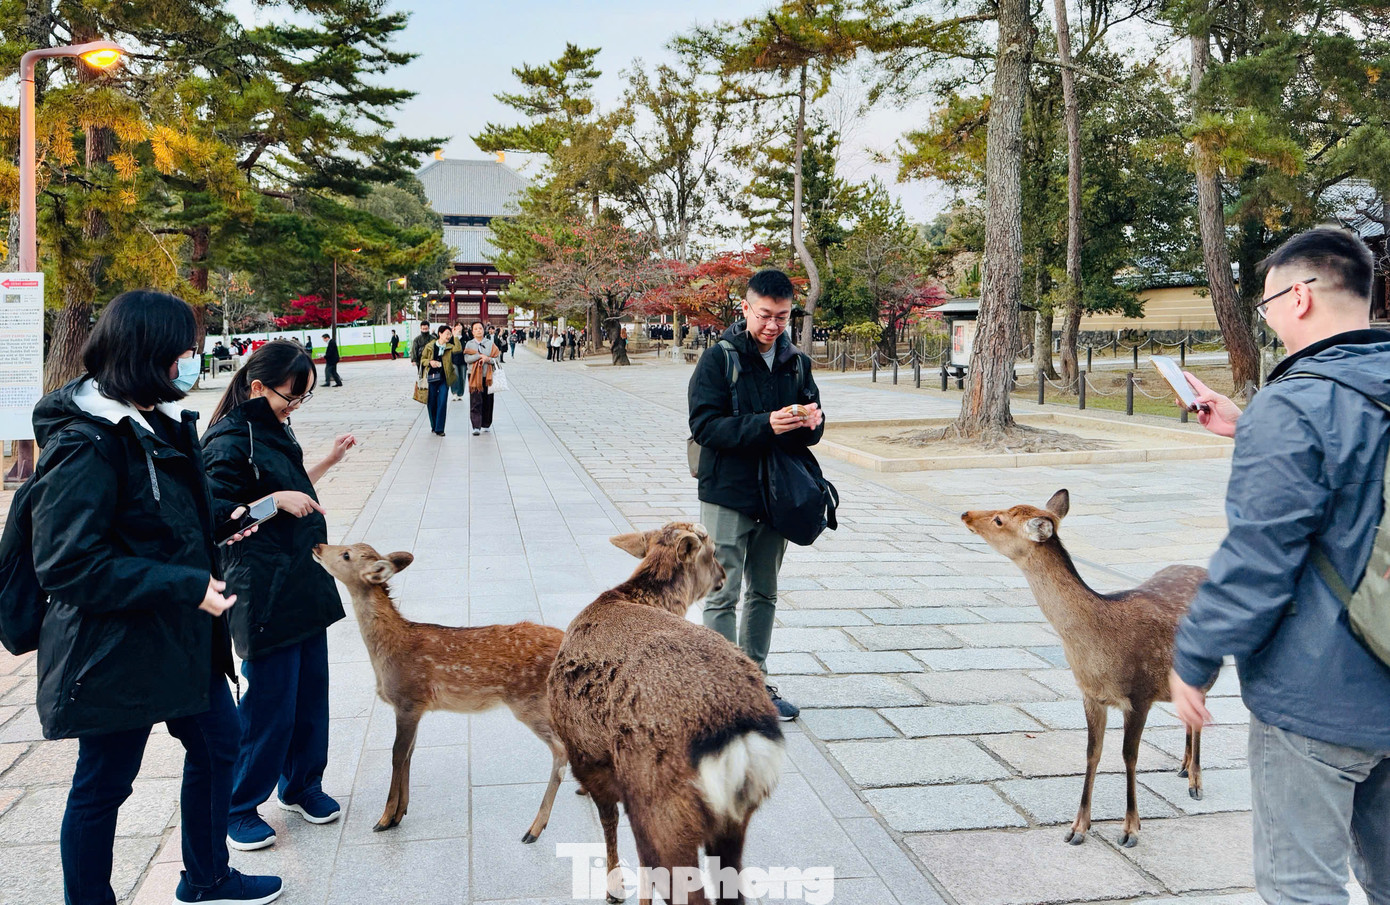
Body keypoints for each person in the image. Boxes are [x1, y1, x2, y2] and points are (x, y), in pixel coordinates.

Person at [29, 290, 282, 905]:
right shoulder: (85, 442)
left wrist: (227, 516)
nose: (191, 362)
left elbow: (160, 517)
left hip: (178, 637)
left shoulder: (154, 420)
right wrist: (183, 583)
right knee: (105, 782)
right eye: (183, 352)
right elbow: (67, 564)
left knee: (220, 743)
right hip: (115, 648)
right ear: (149, 356)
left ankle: (207, 877)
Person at [1170, 226, 1390, 905]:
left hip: (1321, 693)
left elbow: (1258, 558)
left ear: (1299, 297)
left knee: (1303, 886)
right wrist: (1250, 423)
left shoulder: (1295, 403)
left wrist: (1195, 655)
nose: (1267, 322)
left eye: (1265, 307)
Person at [203, 341, 357, 853]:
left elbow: (291, 491)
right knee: (269, 704)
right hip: (261, 589)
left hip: (301, 579)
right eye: (290, 396)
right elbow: (219, 517)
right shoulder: (228, 438)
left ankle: (302, 785)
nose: (294, 406)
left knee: (311, 694)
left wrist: (326, 463)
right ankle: (239, 805)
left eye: (302, 398)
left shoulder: (273, 430)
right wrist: (270, 502)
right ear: (256, 387)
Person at [687, 269, 825, 722]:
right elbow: (704, 427)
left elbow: (815, 428)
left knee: (764, 589)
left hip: (777, 494)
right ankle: (725, 690)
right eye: (765, 315)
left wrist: (813, 422)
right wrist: (765, 423)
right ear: (745, 308)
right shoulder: (718, 359)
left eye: (782, 317)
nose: (773, 326)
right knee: (722, 593)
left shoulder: (796, 361)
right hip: (728, 491)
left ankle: (756, 680)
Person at [419, 324, 459, 436]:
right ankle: (434, 425)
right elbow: (422, 359)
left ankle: (440, 428)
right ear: (440, 334)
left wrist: (455, 337)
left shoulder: (450, 346)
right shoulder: (430, 346)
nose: (448, 336)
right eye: (447, 334)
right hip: (431, 378)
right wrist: (430, 362)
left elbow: (458, 350)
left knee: (442, 402)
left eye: (450, 334)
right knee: (431, 403)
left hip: (444, 378)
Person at [464, 321, 501, 436]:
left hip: (487, 375)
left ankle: (486, 423)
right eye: (476, 329)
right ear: (472, 331)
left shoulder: (490, 343)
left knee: (488, 399)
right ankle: (476, 425)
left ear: (483, 330)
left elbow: (496, 359)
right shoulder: (469, 344)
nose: (478, 330)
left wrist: (487, 359)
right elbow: (466, 359)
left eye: (480, 328)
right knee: (475, 400)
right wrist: (478, 356)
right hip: (474, 375)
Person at [450, 321, 468, 401]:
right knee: (455, 376)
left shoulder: (465, 337)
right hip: (454, 359)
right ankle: (455, 392)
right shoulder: (452, 337)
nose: (459, 327)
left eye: (460, 325)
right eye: (457, 325)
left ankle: (461, 393)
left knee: (462, 377)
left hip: (463, 360)